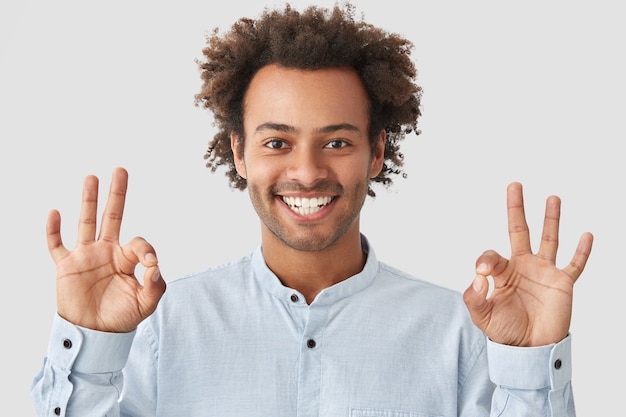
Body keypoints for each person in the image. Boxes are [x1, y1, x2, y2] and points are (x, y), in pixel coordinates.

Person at [31, 3, 593, 417]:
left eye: (337, 141)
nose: (307, 171)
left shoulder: (461, 334)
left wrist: (532, 365)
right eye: (277, 142)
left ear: (376, 152)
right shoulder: (159, 329)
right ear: (239, 152)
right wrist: (88, 343)